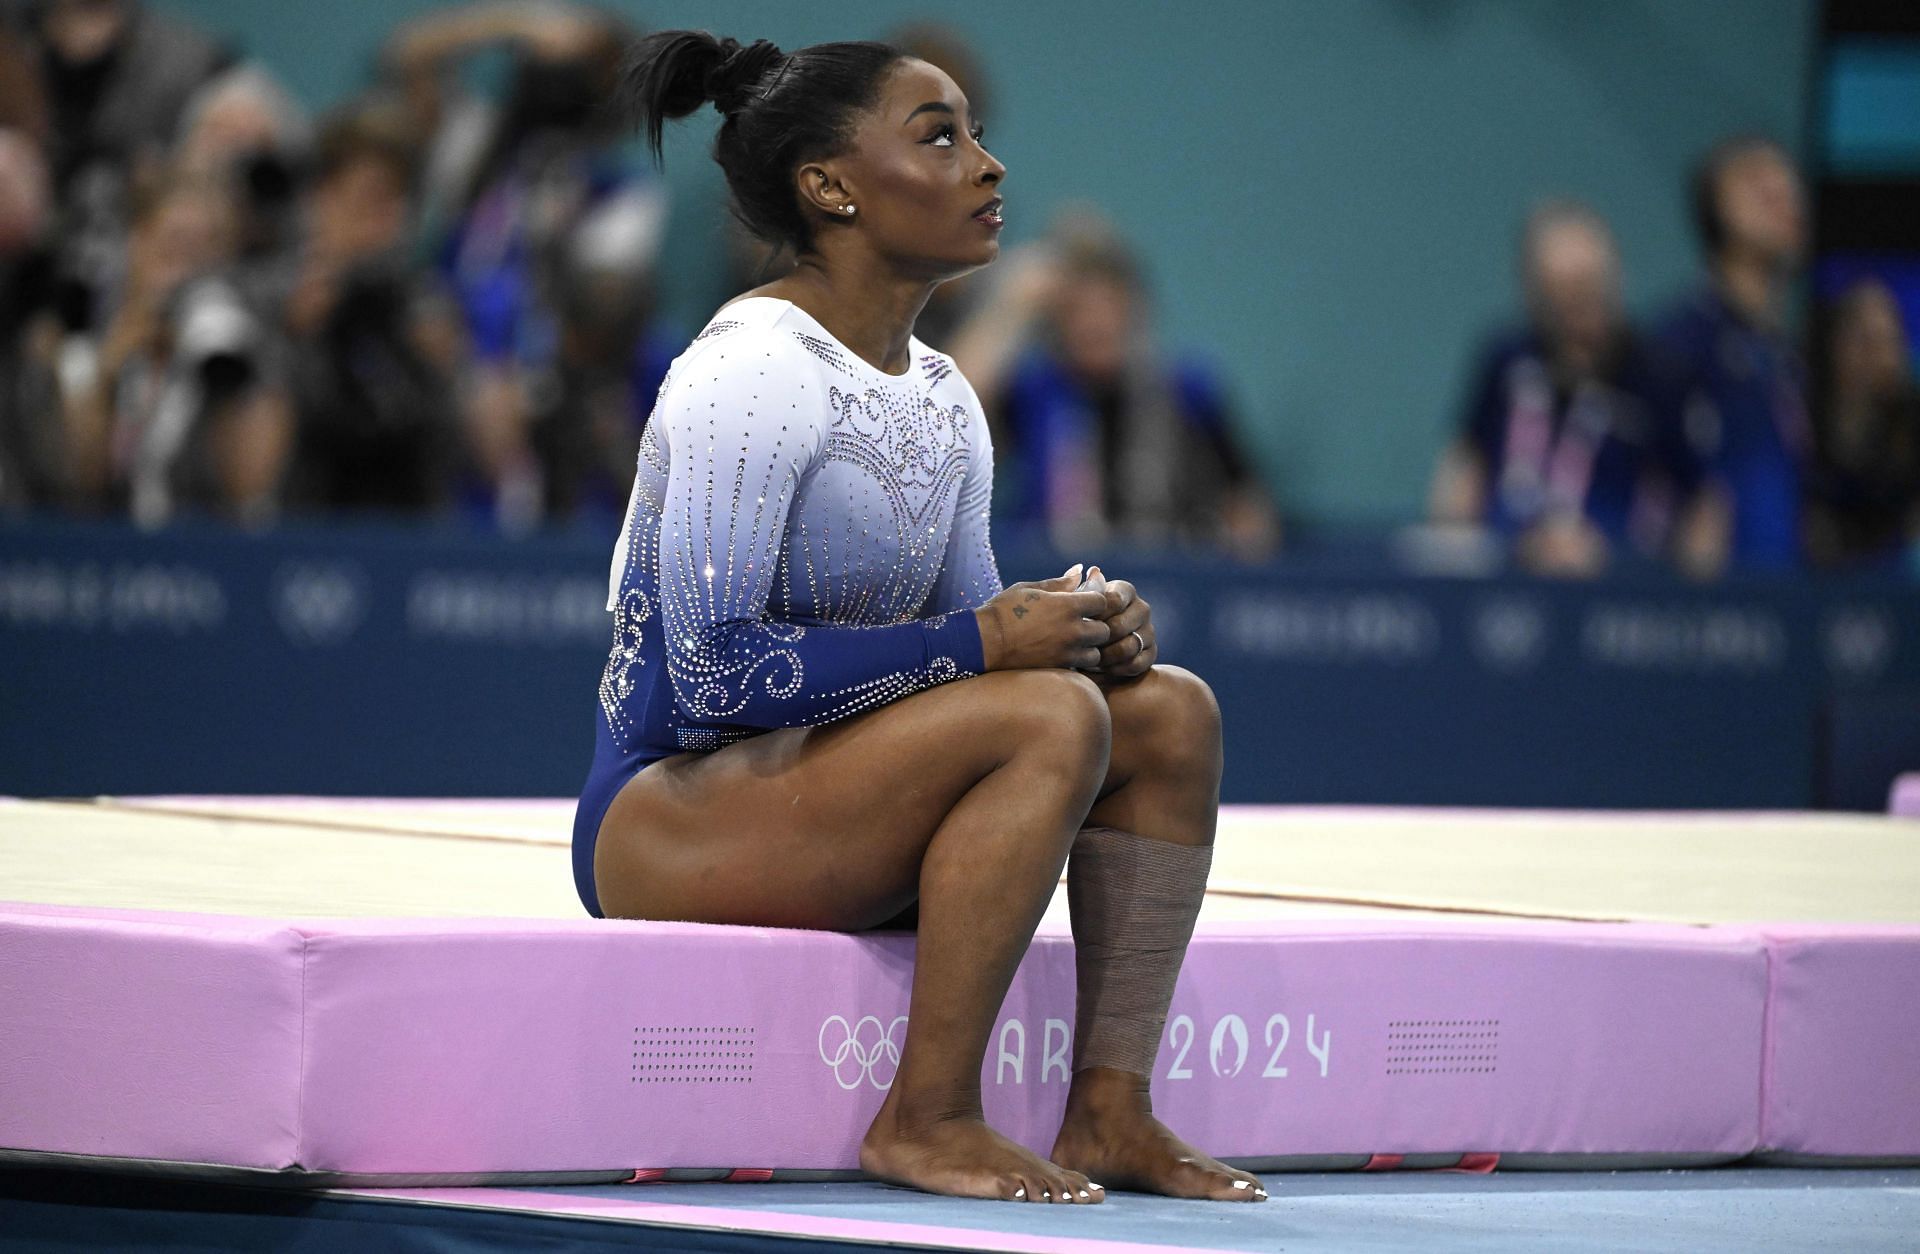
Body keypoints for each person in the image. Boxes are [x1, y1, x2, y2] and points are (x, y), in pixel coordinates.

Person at [575, 30, 1265, 1207]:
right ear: (829, 186)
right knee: (1046, 718)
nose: (989, 166)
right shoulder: (750, 369)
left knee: (1169, 717)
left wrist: (1083, 636)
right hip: (669, 813)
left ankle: (1108, 1109)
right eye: (939, 138)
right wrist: (996, 645)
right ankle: (927, 1116)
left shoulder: (942, 394)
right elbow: (699, 681)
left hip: (826, 796)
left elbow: (975, 657)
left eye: (980, 136)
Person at [949, 209, 1280, 557]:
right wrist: (1010, 309)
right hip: (1052, 583)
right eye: (1078, 309)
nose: (1094, 324)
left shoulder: (1187, 390)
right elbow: (947, 416)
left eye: (1108, 305)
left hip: (1165, 579)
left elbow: (1247, 508)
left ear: (1135, 308)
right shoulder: (1035, 391)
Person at [1430, 201, 1694, 577]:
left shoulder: (1660, 375)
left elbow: (1695, 505)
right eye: (1558, 293)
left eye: (1587, 287)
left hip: (1621, 590)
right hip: (1505, 579)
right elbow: (1467, 464)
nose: (1576, 311)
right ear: (1533, 293)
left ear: (1613, 280)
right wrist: (1450, 552)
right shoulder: (1506, 359)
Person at [1657, 136, 1812, 575]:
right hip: (1713, 606)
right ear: (1717, 210)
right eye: (1760, 187)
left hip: (1797, 599)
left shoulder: (1792, 357)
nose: (1784, 199)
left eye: (1789, 188)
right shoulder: (1679, 342)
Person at [1804, 278, 1920, 570]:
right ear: (1840, 345)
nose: (1884, 359)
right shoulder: (1804, 416)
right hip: (1810, 582)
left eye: (1891, 342)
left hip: (1893, 588)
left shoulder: (1913, 422)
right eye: (1869, 342)